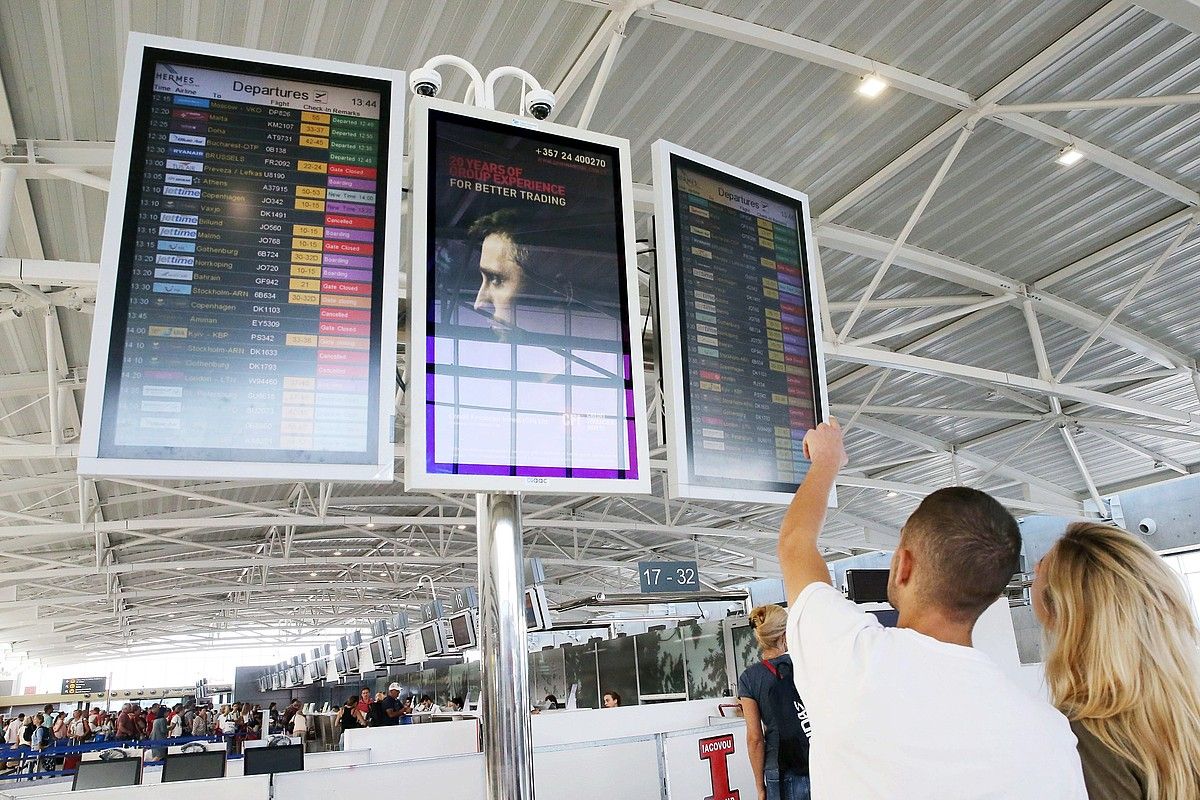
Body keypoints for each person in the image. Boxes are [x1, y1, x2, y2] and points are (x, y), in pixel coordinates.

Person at [778, 418, 1086, 799]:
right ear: (989, 594)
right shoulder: (1051, 734)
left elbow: (796, 544)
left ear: (903, 565)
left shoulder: (851, 658)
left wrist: (827, 460)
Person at [1033, 522, 1200, 800]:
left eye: (1040, 564)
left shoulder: (1078, 736)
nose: (1035, 569)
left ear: (1062, 614)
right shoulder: (1186, 711)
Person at [739, 604, 811, 800]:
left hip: (777, 769)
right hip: (814, 761)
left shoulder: (749, 678)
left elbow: (755, 738)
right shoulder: (806, 664)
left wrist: (759, 786)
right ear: (784, 635)